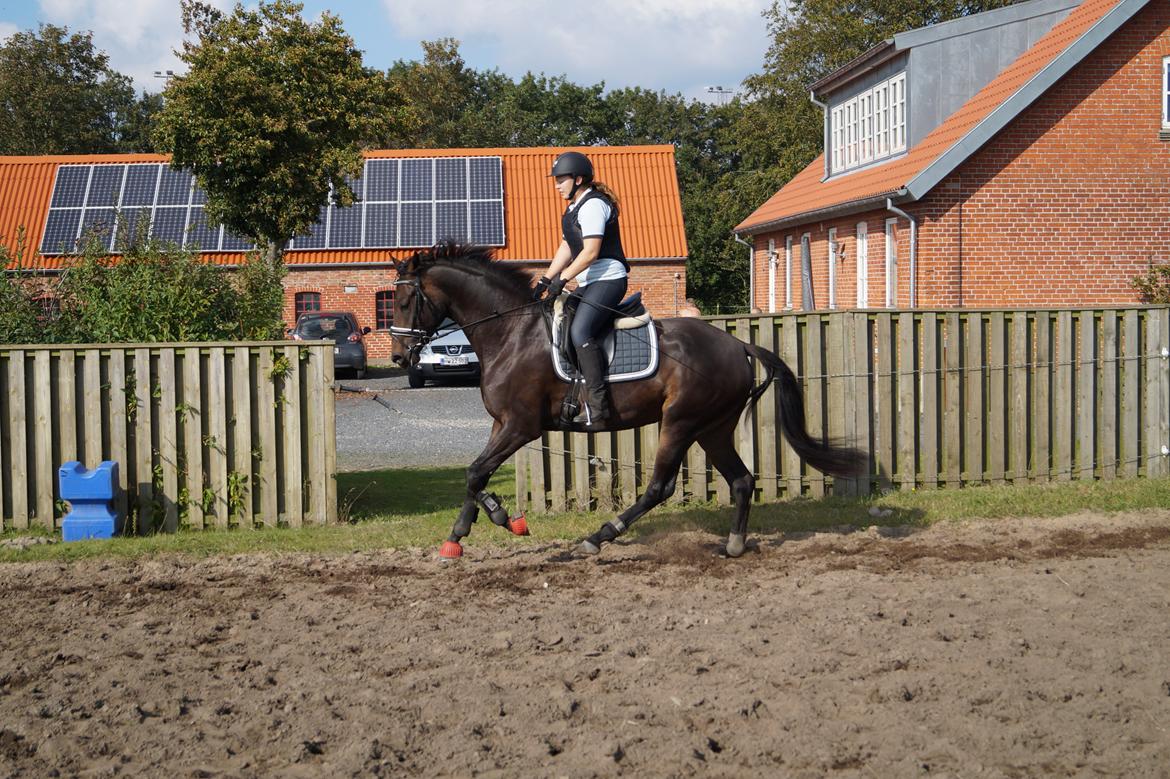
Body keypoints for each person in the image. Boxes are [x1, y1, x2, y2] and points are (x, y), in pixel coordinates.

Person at [533, 151, 628, 428]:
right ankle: (574, 390)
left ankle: (598, 407)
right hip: (588, 282)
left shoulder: (593, 205)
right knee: (558, 323)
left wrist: (562, 279)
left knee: (580, 331)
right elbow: (566, 247)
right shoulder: (573, 209)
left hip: (609, 279)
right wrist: (545, 280)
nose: (556, 185)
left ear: (577, 179)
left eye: (560, 180)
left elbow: (590, 253)